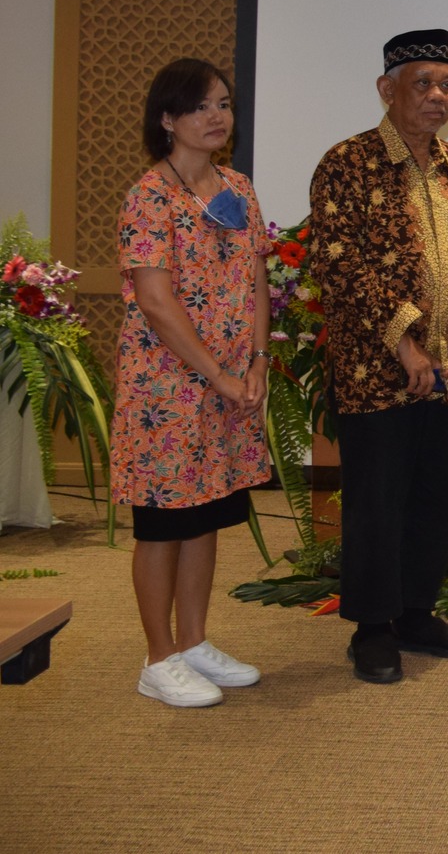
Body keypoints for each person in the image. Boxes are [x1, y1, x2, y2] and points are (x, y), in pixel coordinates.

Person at [309, 29, 448, 684]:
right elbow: (340, 265)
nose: (437, 96)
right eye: (423, 84)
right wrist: (404, 344)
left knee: (438, 497)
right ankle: (371, 627)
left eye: (447, 85)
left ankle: (417, 614)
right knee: (376, 500)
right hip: (376, 371)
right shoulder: (347, 164)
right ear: (386, 89)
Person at [113, 58, 271, 707]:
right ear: (167, 119)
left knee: (206, 513)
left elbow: (257, 280)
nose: (216, 116)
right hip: (166, 390)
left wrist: (257, 361)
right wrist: (220, 374)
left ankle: (194, 641)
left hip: (230, 382)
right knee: (162, 523)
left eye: (224, 104)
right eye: (201, 106)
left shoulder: (238, 187)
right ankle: (158, 657)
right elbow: (155, 301)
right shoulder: (149, 196)